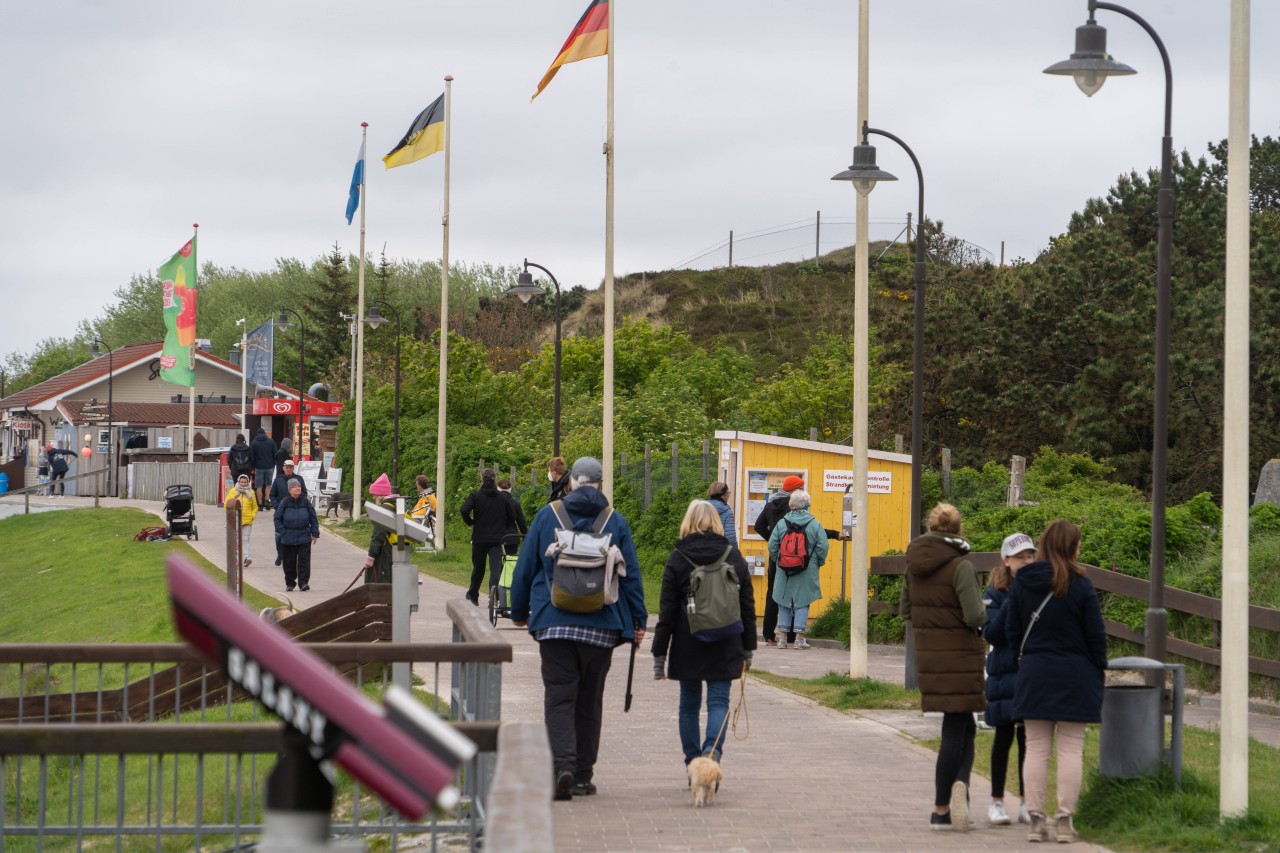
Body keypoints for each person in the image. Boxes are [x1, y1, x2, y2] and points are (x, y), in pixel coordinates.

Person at [509, 457, 647, 801]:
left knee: (559, 697)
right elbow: (630, 576)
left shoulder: (548, 516)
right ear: (600, 484)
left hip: (554, 623)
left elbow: (526, 566)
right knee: (589, 700)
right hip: (601, 625)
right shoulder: (615, 521)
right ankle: (583, 776)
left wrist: (519, 610)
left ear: (571, 482)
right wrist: (639, 621)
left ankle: (562, 768)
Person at [1003, 520, 1106, 844]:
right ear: (1074, 548)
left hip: (1035, 671)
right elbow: (1096, 637)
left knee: (1035, 748)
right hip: (1076, 674)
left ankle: (1035, 819)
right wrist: (1099, 668)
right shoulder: (1081, 585)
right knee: (1070, 749)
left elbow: (1011, 630)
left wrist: (1025, 659)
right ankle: (1064, 821)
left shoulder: (1024, 582)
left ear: (1044, 546)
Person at [900, 502, 987, 832]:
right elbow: (974, 616)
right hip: (961, 656)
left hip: (930, 656)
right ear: (958, 529)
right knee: (957, 729)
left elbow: (906, 609)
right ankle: (943, 807)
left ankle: (955, 795)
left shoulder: (913, 564)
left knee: (963, 725)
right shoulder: (960, 565)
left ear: (931, 527)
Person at [652, 499, 755, 768]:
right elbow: (747, 606)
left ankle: (692, 762)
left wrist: (659, 654)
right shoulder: (733, 556)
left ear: (688, 521)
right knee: (719, 699)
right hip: (728, 638)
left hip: (689, 640)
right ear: (717, 522)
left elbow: (667, 611)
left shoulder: (678, 558)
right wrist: (748, 648)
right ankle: (711, 754)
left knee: (688, 704)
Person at [982, 532, 1036, 827]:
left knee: (1029, 739)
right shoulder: (995, 592)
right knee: (1003, 737)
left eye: (1030, 556)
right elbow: (990, 633)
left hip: (1030, 673)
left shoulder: (1040, 589)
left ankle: (1028, 802)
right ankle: (996, 802)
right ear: (1006, 560)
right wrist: (1015, 600)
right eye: (1019, 557)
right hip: (1004, 672)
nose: (1026, 562)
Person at [753, 475, 841, 645]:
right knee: (798, 596)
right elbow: (816, 533)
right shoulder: (795, 509)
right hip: (801, 560)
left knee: (775, 593)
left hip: (779, 560)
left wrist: (778, 552)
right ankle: (795, 636)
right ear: (795, 491)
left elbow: (759, 526)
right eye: (801, 487)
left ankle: (770, 635)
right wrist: (835, 535)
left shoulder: (770, 505)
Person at [765, 489, 829, 649]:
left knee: (783, 600)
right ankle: (799, 638)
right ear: (807, 505)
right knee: (803, 601)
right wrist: (818, 562)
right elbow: (823, 546)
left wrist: (779, 559)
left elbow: (772, 545)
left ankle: (782, 638)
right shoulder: (814, 523)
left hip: (784, 568)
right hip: (807, 567)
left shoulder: (782, 523)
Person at [459, 468, 517, 606]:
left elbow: (464, 510)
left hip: (479, 538)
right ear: (494, 480)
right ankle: (494, 595)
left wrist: (471, 523)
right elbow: (512, 516)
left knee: (478, 568)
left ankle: (473, 595)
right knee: (495, 568)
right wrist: (503, 526)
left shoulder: (475, 496)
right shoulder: (503, 497)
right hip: (497, 539)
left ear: (482, 480)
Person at [274, 476, 318, 593]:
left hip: (304, 536)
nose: (297, 488)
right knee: (289, 562)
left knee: (304, 561)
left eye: (298, 486)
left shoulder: (306, 502)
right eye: (294, 487)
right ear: (289, 490)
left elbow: (313, 518)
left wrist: (315, 533)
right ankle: (290, 583)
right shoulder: (285, 502)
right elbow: (277, 518)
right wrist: (283, 531)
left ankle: (303, 583)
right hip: (288, 537)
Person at [270, 459, 307, 567]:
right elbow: (272, 495)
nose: (289, 469)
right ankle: (280, 554)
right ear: (283, 468)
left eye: (290, 467)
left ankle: (291, 556)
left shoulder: (299, 479)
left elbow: (304, 493)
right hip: (281, 511)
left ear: (293, 468)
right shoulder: (278, 480)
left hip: (295, 510)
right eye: (287, 467)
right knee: (278, 535)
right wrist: (277, 506)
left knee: (292, 534)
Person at [363, 473, 396, 583]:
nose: (373, 497)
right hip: (397, 550)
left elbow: (378, 535)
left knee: (382, 584)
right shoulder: (396, 505)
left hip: (385, 552)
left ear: (381, 495)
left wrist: (371, 556)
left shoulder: (384, 509)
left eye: (374, 495)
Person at [224, 474, 259, 568]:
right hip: (234, 520)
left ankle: (246, 558)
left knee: (245, 540)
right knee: (235, 540)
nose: (243, 484)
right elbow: (226, 505)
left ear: (248, 482)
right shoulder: (233, 491)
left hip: (247, 520)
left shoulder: (251, 492)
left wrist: (252, 516)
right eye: (241, 482)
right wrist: (235, 497)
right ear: (238, 482)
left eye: (245, 482)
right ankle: (234, 559)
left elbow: (255, 507)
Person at [497, 477, 529, 555]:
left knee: (497, 563)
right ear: (510, 489)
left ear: (497, 488)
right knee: (510, 563)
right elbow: (521, 523)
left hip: (497, 536)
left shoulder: (493, 502)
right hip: (512, 537)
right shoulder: (515, 503)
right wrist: (526, 537)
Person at [250, 428, 277, 509]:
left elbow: (252, 456)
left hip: (258, 467)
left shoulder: (254, 443)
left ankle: (260, 505)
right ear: (264, 433)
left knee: (259, 486)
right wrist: (273, 463)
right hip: (269, 466)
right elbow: (275, 453)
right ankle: (267, 500)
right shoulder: (270, 441)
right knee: (269, 484)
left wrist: (253, 466)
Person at [706, 481, 737, 547]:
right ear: (724, 495)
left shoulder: (700, 508)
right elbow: (731, 538)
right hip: (718, 550)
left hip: (698, 549)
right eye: (728, 493)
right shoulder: (727, 511)